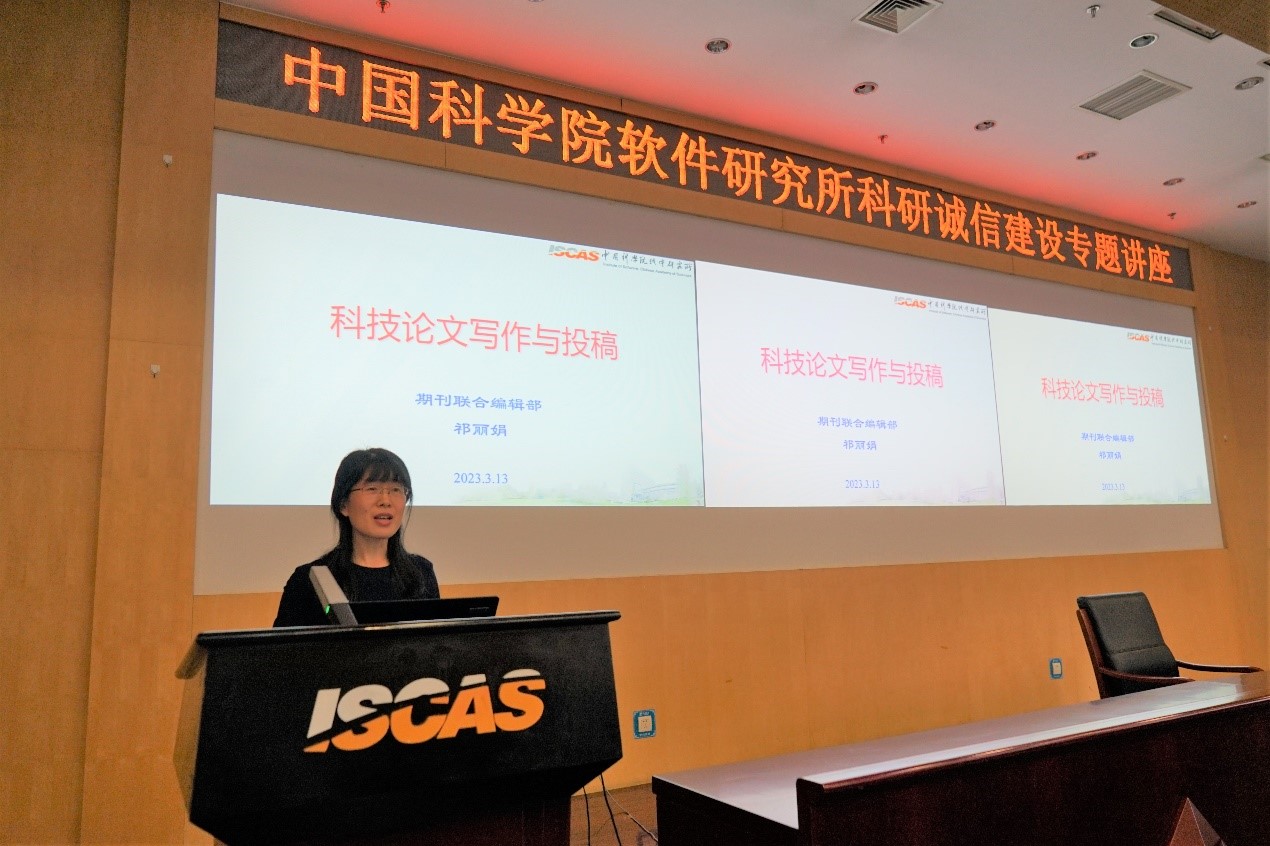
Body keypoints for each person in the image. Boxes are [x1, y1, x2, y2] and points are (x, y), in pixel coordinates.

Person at [273, 447, 439, 626]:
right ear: (343, 505)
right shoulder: (310, 580)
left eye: (396, 490)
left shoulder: (420, 572)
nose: (385, 501)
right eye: (372, 488)